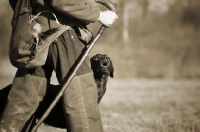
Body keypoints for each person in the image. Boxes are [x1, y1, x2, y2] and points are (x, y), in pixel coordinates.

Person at [0, 0, 118, 132]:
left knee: (24, 98)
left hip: (34, 35)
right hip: (64, 32)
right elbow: (60, 1)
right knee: (82, 98)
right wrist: (98, 15)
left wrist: (38, 15)